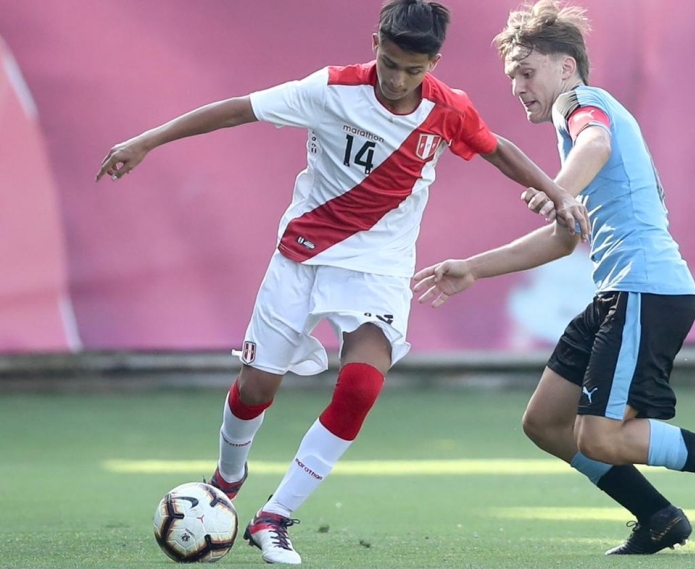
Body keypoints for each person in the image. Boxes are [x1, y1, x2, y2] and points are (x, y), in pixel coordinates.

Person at [95, 0, 590, 564]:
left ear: (433, 64)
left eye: (413, 70)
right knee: (257, 389)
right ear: (375, 44)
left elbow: (497, 148)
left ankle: (274, 517)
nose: (398, 80)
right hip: (301, 258)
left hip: (378, 269)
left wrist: (557, 192)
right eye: (390, 63)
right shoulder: (330, 89)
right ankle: (227, 481)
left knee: (360, 387)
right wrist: (146, 141)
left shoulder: (447, 108)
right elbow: (237, 111)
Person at [413, 0, 695, 555]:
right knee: (545, 422)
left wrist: (558, 188)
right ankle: (658, 517)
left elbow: (597, 142)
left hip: (646, 290)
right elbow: (563, 240)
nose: (517, 86)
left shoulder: (580, 104)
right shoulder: (572, 127)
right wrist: (472, 268)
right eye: (512, 76)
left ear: (566, 67)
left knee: (600, 438)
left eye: (527, 72)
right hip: (620, 294)